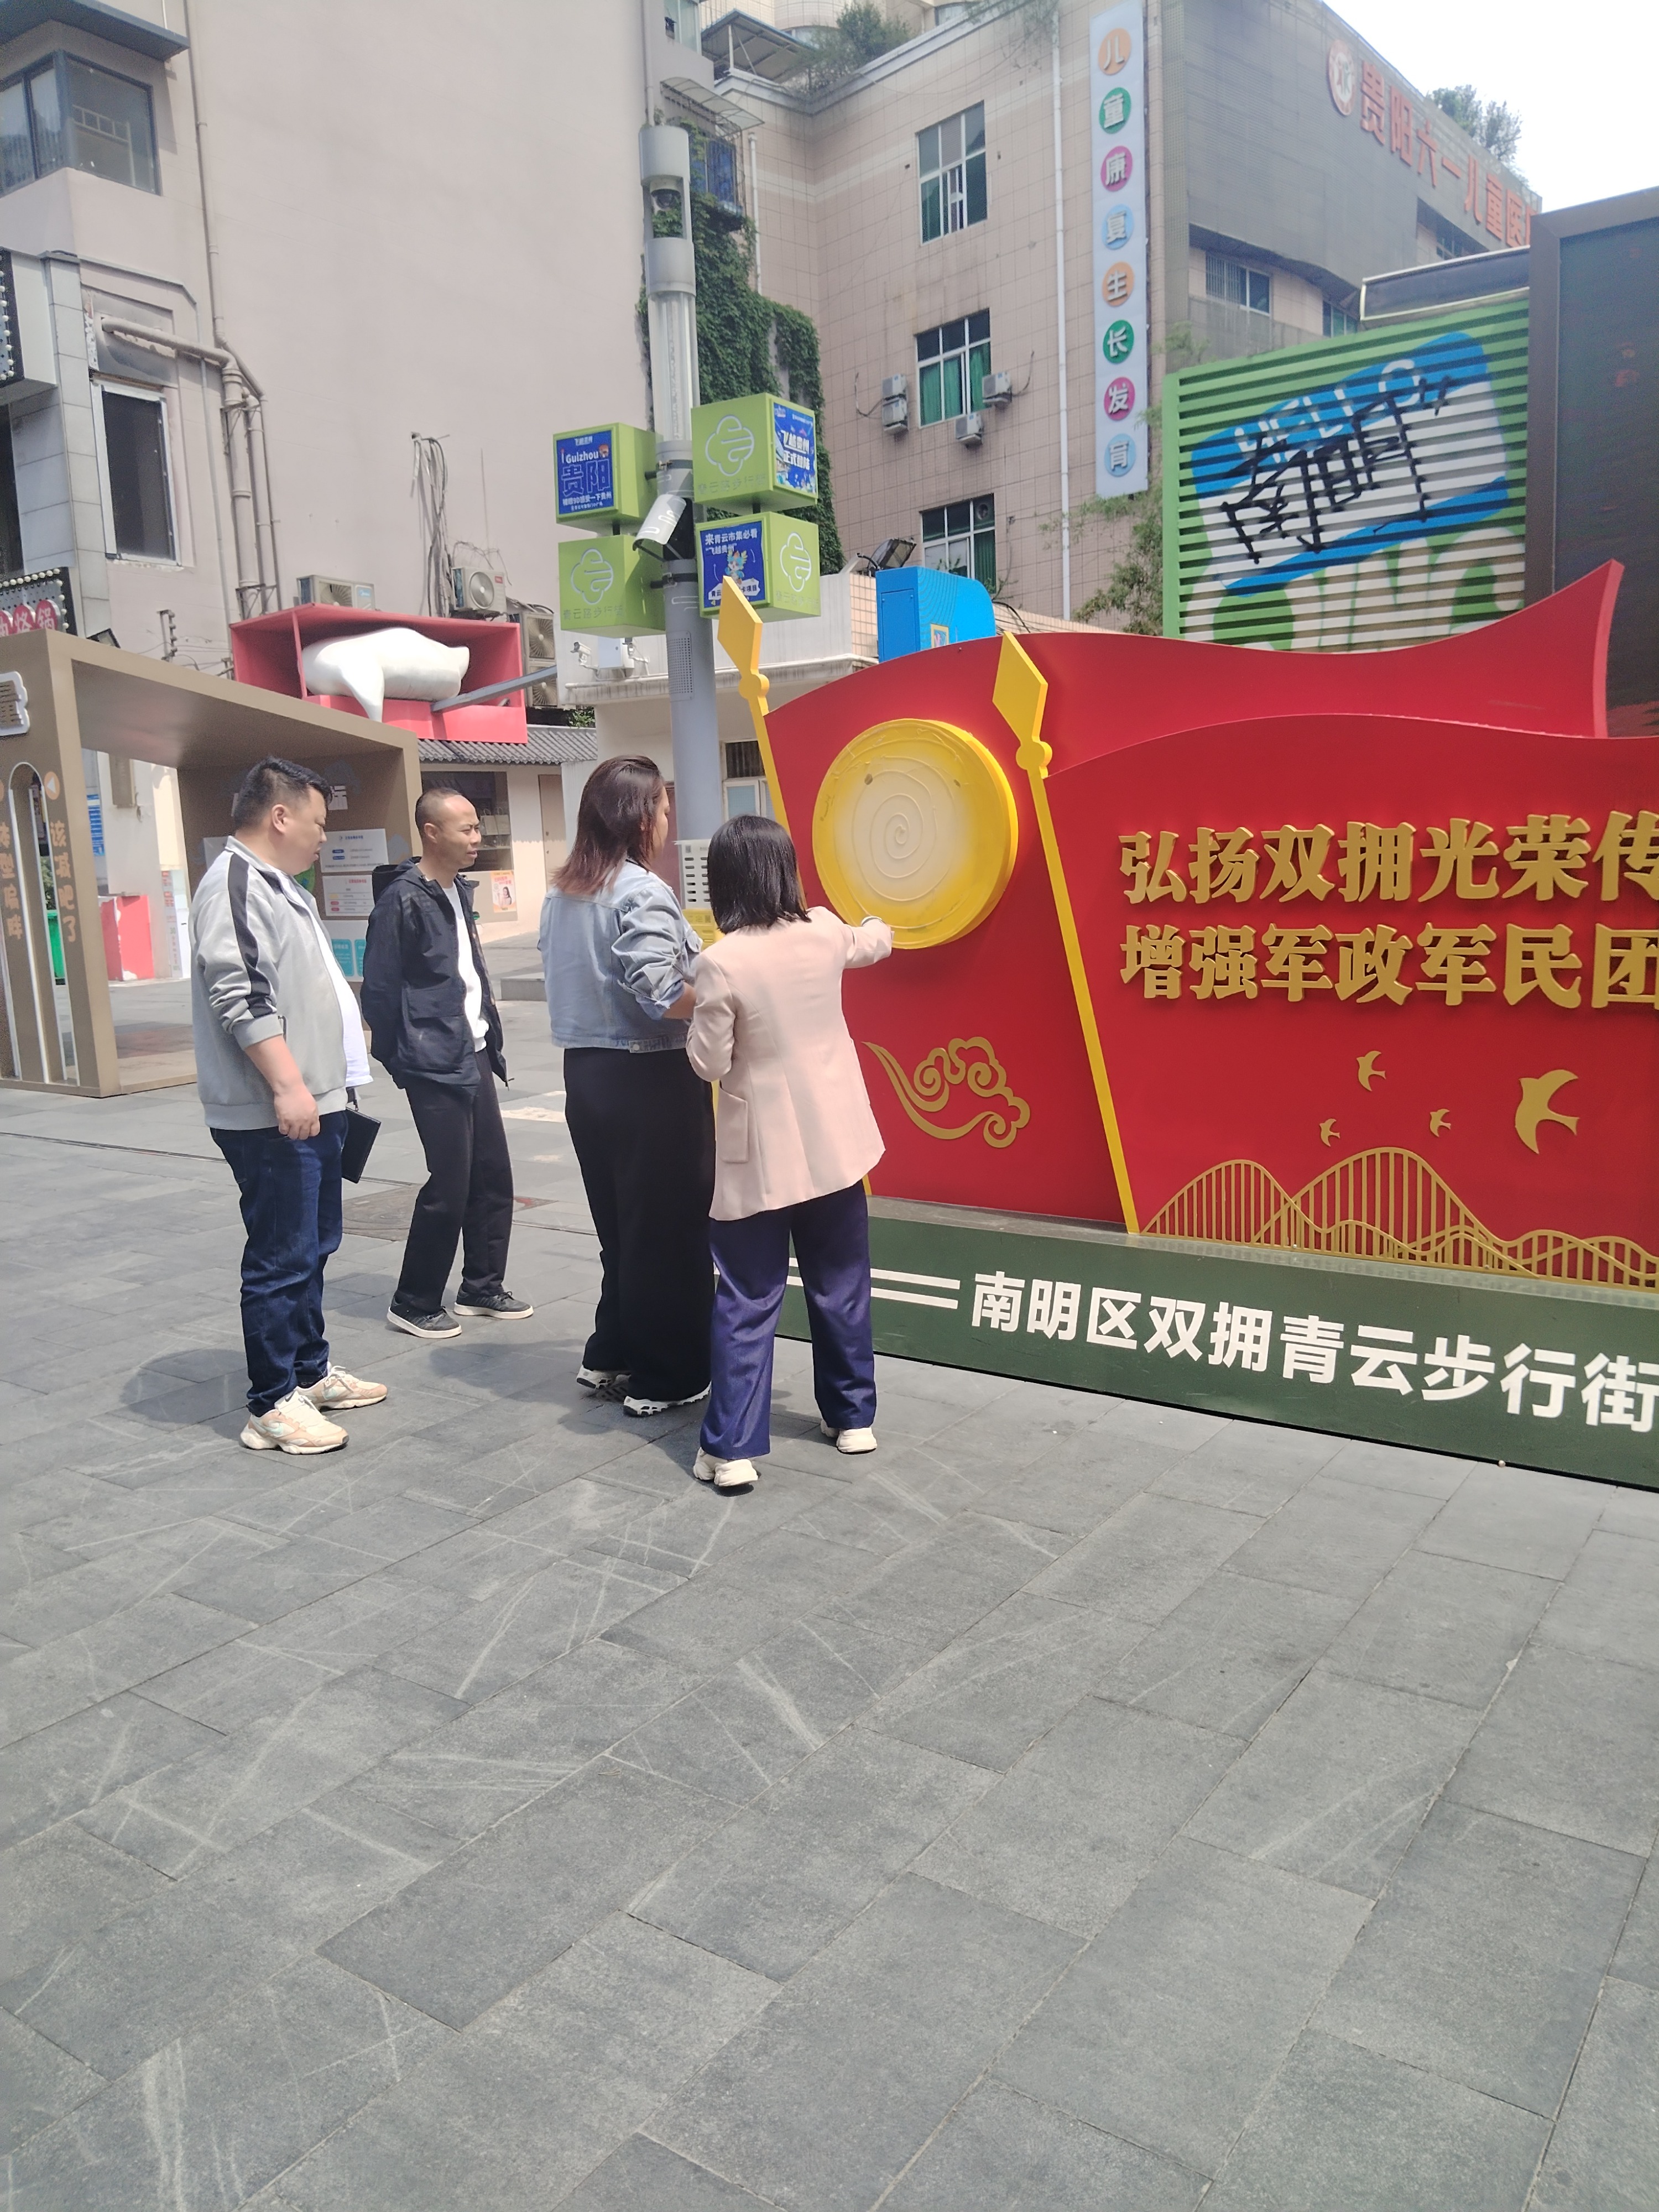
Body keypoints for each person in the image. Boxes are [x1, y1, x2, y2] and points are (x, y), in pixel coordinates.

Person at [686, 815, 893, 1492]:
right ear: (785, 869)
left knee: (748, 1294)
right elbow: (875, 941)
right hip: (838, 1143)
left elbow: (710, 1064)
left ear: (725, 881)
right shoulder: (826, 931)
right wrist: (880, 918)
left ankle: (732, 1449)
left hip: (761, 1155)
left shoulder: (722, 961)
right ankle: (852, 1418)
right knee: (841, 1282)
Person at [191, 755, 387, 1454]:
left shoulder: (280, 884)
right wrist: (287, 1084)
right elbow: (240, 992)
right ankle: (271, 1402)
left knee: (314, 1244)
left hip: (317, 1101)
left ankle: (308, 1371)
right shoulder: (236, 882)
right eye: (318, 823)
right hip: (276, 1110)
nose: (323, 837)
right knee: (282, 1254)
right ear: (280, 816)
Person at [539, 755, 713, 1417]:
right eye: (664, 808)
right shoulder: (641, 891)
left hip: (587, 1076)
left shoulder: (563, 892)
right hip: (650, 1077)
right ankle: (666, 1376)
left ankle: (610, 1350)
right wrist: (726, 999)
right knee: (667, 1230)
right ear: (641, 817)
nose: (668, 820)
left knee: (620, 1226)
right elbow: (662, 993)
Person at [361, 785, 531, 1339]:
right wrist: (402, 1057)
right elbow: (379, 991)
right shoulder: (403, 900)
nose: (477, 837)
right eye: (467, 828)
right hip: (431, 1060)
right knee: (450, 1184)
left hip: (473, 1050)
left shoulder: (457, 889)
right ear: (431, 833)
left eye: (478, 827)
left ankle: (482, 1285)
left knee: (493, 1176)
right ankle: (413, 1300)